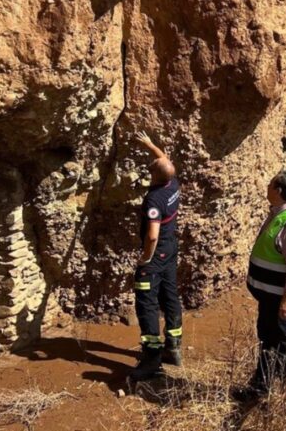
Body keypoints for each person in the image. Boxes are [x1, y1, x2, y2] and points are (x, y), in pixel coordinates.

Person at [239, 170, 286, 400]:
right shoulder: (280, 214)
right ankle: (262, 387)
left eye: (271, 184)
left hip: (284, 300)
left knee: (284, 343)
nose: (267, 187)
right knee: (269, 340)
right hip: (273, 297)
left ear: (279, 191)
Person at [128, 131, 184, 382]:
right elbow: (165, 162)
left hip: (157, 251)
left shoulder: (154, 199)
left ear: (155, 176)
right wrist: (150, 144)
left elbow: (151, 235)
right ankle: (173, 347)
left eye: (151, 170)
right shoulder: (172, 183)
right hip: (170, 249)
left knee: (147, 302)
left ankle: (152, 358)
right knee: (170, 294)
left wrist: (145, 259)